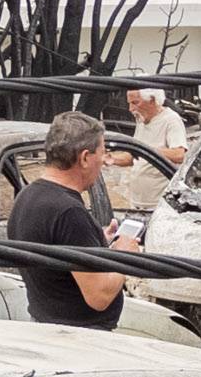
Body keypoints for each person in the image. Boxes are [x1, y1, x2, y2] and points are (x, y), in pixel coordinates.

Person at [7, 112, 129, 332]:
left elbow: (58, 253)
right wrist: (124, 255)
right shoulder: (69, 212)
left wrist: (98, 242)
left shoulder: (25, 196)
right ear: (84, 158)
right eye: (102, 152)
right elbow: (99, 296)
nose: (104, 160)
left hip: (44, 325)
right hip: (80, 337)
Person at [119, 83, 188, 168]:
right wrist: (109, 158)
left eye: (135, 103)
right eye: (129, 103)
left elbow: (178, 155)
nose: (130, 109)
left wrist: (145, 150)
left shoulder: (171, 119)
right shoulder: (142, 119)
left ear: (151, 100)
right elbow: (133, 156)